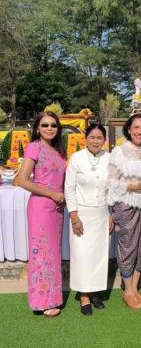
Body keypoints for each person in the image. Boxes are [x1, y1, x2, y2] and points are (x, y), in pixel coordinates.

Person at [18, 111, 66, 317]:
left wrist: (62, 198)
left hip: (56, 209)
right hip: (40, 208)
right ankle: (41, 301)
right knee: (42, 254)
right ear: (37, 128)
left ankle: (53, 297)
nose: (49, 128)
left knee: (53, 254)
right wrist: (51, 194)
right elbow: (21, 180)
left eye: (53, 125)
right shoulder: (34, 147)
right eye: (45, 125)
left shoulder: (58, 151)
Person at [107, 114, 141, 310]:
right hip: (126, 204)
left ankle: (133, 287)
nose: (139, 131)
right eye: (135, 127)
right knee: (128, 247)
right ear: (129, 129)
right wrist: (134, 186)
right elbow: (111, 182)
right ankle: (127, 290)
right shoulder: (119, 152)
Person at [65, 124, 112, 316]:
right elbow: (69, 188)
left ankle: (95, 292)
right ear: (86, 139)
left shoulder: (109, 158)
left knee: (99, 257)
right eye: (92, 137)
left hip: (102, 214)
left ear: (104, 140)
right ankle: (84, 295)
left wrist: (111, 214)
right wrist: (74, 217)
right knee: (82, 255)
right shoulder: (76, 158)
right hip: (81, 215)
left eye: (99, 137)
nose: (95, 141)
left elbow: (113, 188)